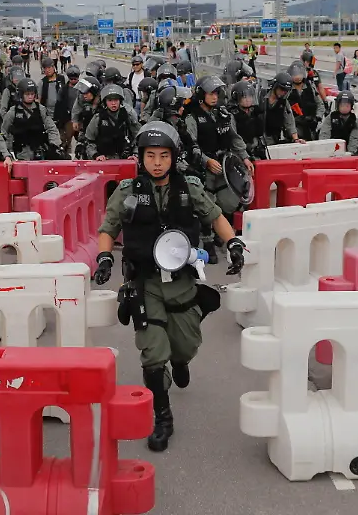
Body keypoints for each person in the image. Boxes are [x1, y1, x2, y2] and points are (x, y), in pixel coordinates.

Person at [93, 121, 245, 452]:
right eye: (151, 156)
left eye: (164, 156)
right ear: (141, 157)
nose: (157, 162)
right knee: (152, 353)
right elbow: (108, 227)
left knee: (185, 345)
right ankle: (163, 417)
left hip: (181, 282)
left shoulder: (188, 188)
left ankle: (180, 361)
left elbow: (216, 216)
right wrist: (104, 257)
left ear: (174, 157)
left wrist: (233, 242)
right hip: (145, 283)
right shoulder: (127, 192)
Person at [184, 76, 254, 261]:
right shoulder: (192, 117)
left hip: (224, 165)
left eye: (217, 93)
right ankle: (207, 242)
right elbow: (190, 144)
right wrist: (206, 161)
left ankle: (219, 233)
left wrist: (245, 157)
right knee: (205, 206)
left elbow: (234, 138)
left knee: (230, 202)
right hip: (203, 167)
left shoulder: (224, 114)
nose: (215, 97)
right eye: (210, 93)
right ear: (201, 95)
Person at [0, 78, 64, 160]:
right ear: (21, 94)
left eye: (32, 94)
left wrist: (54, 145)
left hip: (39, 150)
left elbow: (52, 128)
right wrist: (7, 151)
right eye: (27, 94)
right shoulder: (13, 111)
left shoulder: (41, 110)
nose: (30, 96)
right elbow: (4, 131)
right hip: (20, 153)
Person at [84, 84, 141, 160]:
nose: (113, 103)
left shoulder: (128, 116)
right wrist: (96, 155)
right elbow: (89, 141)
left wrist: (135, 154)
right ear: (105, 102)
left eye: (116, 100)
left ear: (120, 101)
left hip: (125, 159)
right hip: (104, 159)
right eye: (110, 100)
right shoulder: (98, 118)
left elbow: (137, 138)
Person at [229, 80, 270, 160]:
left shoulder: (256, 112)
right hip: (239, 151)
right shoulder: (232, 114)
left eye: (250, 96)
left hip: (255, 149)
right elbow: (234, 137)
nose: (248, 99)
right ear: (236, 97)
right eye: (244, 97)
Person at [286, 61, 324, 142]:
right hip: (295, 127)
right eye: (294, 75)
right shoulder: (287, 90)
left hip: (311, 125)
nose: (297, 77)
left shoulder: (310, 87)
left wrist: (317, 118)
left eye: (299, 74)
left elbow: (320, 104)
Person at [262, 71, 301, 145]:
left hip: (274, 139)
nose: (284, 92)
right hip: (259, 139)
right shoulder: (261, 98)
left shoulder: (284, 103)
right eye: (282, 89)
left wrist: (296, 139)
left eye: (286, 91)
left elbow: (290, 122)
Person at [39, 57, 69, 122]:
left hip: (63, 114)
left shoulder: (63, 79)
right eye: (45, 68)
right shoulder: (42, 82)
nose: (47, 70)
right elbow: (38, 100)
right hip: (48, 116)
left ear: (54, 67)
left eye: (49, 67)